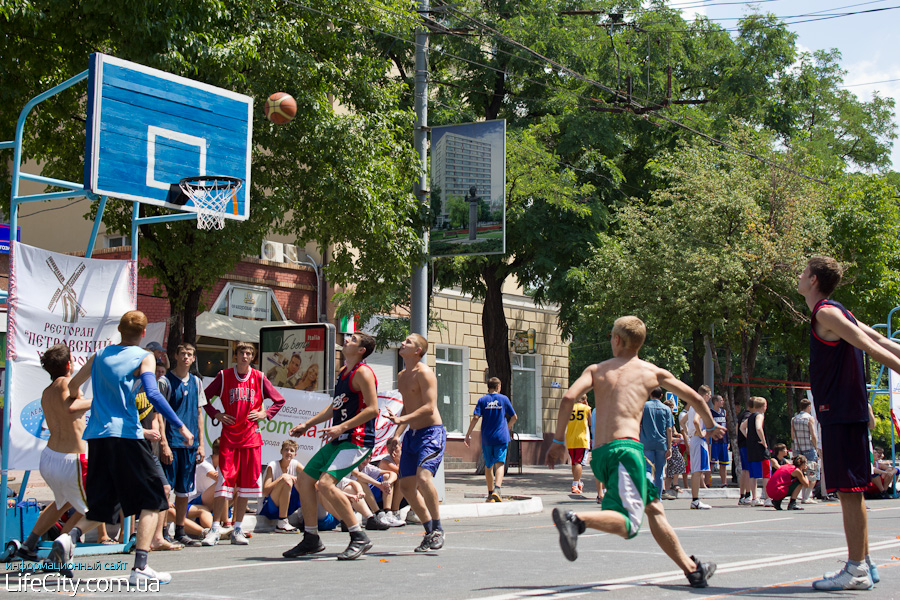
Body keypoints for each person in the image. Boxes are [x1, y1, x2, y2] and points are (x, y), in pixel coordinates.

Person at [546, 316, 725, 588]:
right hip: (626, 451)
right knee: (630, 524)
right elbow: (696, 398)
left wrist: (559, 442)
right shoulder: (652, 373)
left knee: (654, 508)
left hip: (603, 454)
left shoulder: (596, 370)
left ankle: (692, 570)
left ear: (617, 340)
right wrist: (710, 426)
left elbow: (569, 398)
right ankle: (576, 520)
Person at [51, 310, 193, 585]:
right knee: (155, 498)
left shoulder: (100, 355)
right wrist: (179, 425)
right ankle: (140, 567)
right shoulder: (144, 357)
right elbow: (152, 393)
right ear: (143, 333)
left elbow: (74, 385)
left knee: (104, 505)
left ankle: (68, 537)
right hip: (126, 435)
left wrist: (76, 398)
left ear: (119, 329)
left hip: (98, 438)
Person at [798, 255, 900, 590]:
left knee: (849, 491)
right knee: (851, 492)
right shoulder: (840, 310)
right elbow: (884, 342)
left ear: (813, 279)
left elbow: (871, 345)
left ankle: (855, 569)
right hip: (847, 410)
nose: (799, 276)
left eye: (803, 272)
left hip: (839, 411)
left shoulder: (826, 313)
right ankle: (865, 563)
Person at [283, 332, 380, 560]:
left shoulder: (363, 373)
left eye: (353, 339)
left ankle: (359, 536)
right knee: (305, 480)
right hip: (340, 439)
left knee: (326, 484)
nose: (347, 339)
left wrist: (342, 427)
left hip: (357, 441)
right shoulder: (343, 373)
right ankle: (311, 538)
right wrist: (307, 424)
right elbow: (334, 407)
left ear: (361, 350)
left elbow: (373, 409)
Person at [201, 341, 286, 546]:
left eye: (249, 353)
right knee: (224, 484)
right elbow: (203, 397)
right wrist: (216, 414)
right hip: (229, 437)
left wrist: (265, 413)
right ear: (236, 356)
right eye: (242, 352)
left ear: (252, 357)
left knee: (246, 487)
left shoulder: (259, 377)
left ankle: (237, 528)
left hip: (251, 438)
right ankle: (214, 528)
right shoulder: (223, 376)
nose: (245, 356)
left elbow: (279, 400)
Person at [15, 344, 91, 561]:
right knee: (99, 505)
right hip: (72, 459)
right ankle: (63, 545)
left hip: (50, 458)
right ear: (69, 364)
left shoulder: (47, 392)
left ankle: (28, 545)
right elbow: (72, 408)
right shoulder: (67, 385)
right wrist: (102, 401)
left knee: (62, 503)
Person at [387, 334, 447, 552]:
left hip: (432, 433)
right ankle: (429, 530)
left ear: (418, 351)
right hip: (412, 434)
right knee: (405, 486)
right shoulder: (402, 375)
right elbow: (407, 407)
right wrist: (396, 435)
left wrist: (402, 420)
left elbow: (430, 406)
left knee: (423, 478)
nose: (403, 343)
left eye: (409, 342)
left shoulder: (425, 373)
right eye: (404, 340)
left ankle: (439, 529)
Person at [158, 343, 207, 547]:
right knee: (165, 489)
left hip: (190, 445)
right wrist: (163, 443)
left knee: (184, 491)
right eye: (183, 354)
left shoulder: (196, 382)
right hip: (172, 442)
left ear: (194, 359)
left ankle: (180, 530)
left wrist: (201, 444)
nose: (186, 357)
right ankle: (162, 532)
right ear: (176, 356)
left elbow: (199, 414)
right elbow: (158, 413)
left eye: (190, 354)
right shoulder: (165, 381)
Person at [464, 377, 517, 503]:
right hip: (501, 437)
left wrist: (468, 434)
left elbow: (476, 417)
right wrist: (507, 428)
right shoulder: (504, 399)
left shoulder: (482, 400)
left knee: (488, 466)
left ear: (488, 387)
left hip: (487, 438)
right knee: (500, 463)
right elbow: (514, 417)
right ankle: (497, 490)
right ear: (498, 387)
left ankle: (489, 494)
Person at [260, 440, 304, 533]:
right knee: (286, 480)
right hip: (270, 506)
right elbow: (265, 491)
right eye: (286, 450)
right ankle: (282, 522)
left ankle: (309, 516)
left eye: (291, 450)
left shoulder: (295, 464)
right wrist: (281, 477)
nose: (288, 453)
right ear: (281, 451)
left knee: (304, 482)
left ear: (295, 454)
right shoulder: (273, 465)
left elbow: (308, 476)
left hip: (289, 505)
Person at [639, 387, 673, 499]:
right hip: (661, 443)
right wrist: (669, 447)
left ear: (650, 394)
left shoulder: (644, 407)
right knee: (659, 472)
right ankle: (658, 499)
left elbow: (638, 424)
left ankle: (649, 491)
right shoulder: (666, 409)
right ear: (661, 396)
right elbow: (669, 429)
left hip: (646, 443)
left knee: (647, 469)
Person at [686, 385, 712, 510]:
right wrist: (701, 432)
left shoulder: (692, 405)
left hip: (694, 439)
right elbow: (696, 421)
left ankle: (695, 499)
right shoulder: (699, 405)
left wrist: (689, 432)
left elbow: (683, 422)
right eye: (709, 396)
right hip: (699, 439)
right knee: (697, 471)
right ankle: (695, 500)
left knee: (697, 471)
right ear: (706, 395)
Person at [740, 397, 768, 507]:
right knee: (766, 473)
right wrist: (763, 441)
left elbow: (742, 427)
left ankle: (754, 497)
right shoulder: (759, 415)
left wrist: (749, 437)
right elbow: (759, 428)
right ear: (762, 406)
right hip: (759, 448)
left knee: (753, 475)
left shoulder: (750, 416)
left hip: (751, 448)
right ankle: (767, 497)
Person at [791, 398, 819, 504]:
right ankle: (806, 497)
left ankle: (803, 496)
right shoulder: (809, 418)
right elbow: (813, 435)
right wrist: (816, 447)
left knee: (801, 474)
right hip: (809, 449)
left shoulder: (794, 419)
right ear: (808, 407)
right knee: (812, 473)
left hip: (799, 450)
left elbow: (793, 436)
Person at [565, 395, 592, 495]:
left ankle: (578, 482)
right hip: (582, 438)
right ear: (585, 399)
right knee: (579, 462)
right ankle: (575, 485)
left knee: (574, 462)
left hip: (570, 438)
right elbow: (590, 422)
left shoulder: (569, 408)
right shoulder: (587, 408)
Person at [709, 395, 729, 487]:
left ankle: (724, 482)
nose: (723, 402)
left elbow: (726, 427)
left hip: (723, 441)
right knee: (711, 463)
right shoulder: (710, 412)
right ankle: (708, 482)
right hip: (714, 441)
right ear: (716, 402)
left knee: (723, 463)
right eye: (721, 400)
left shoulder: (724, 412)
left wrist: (728, 441)